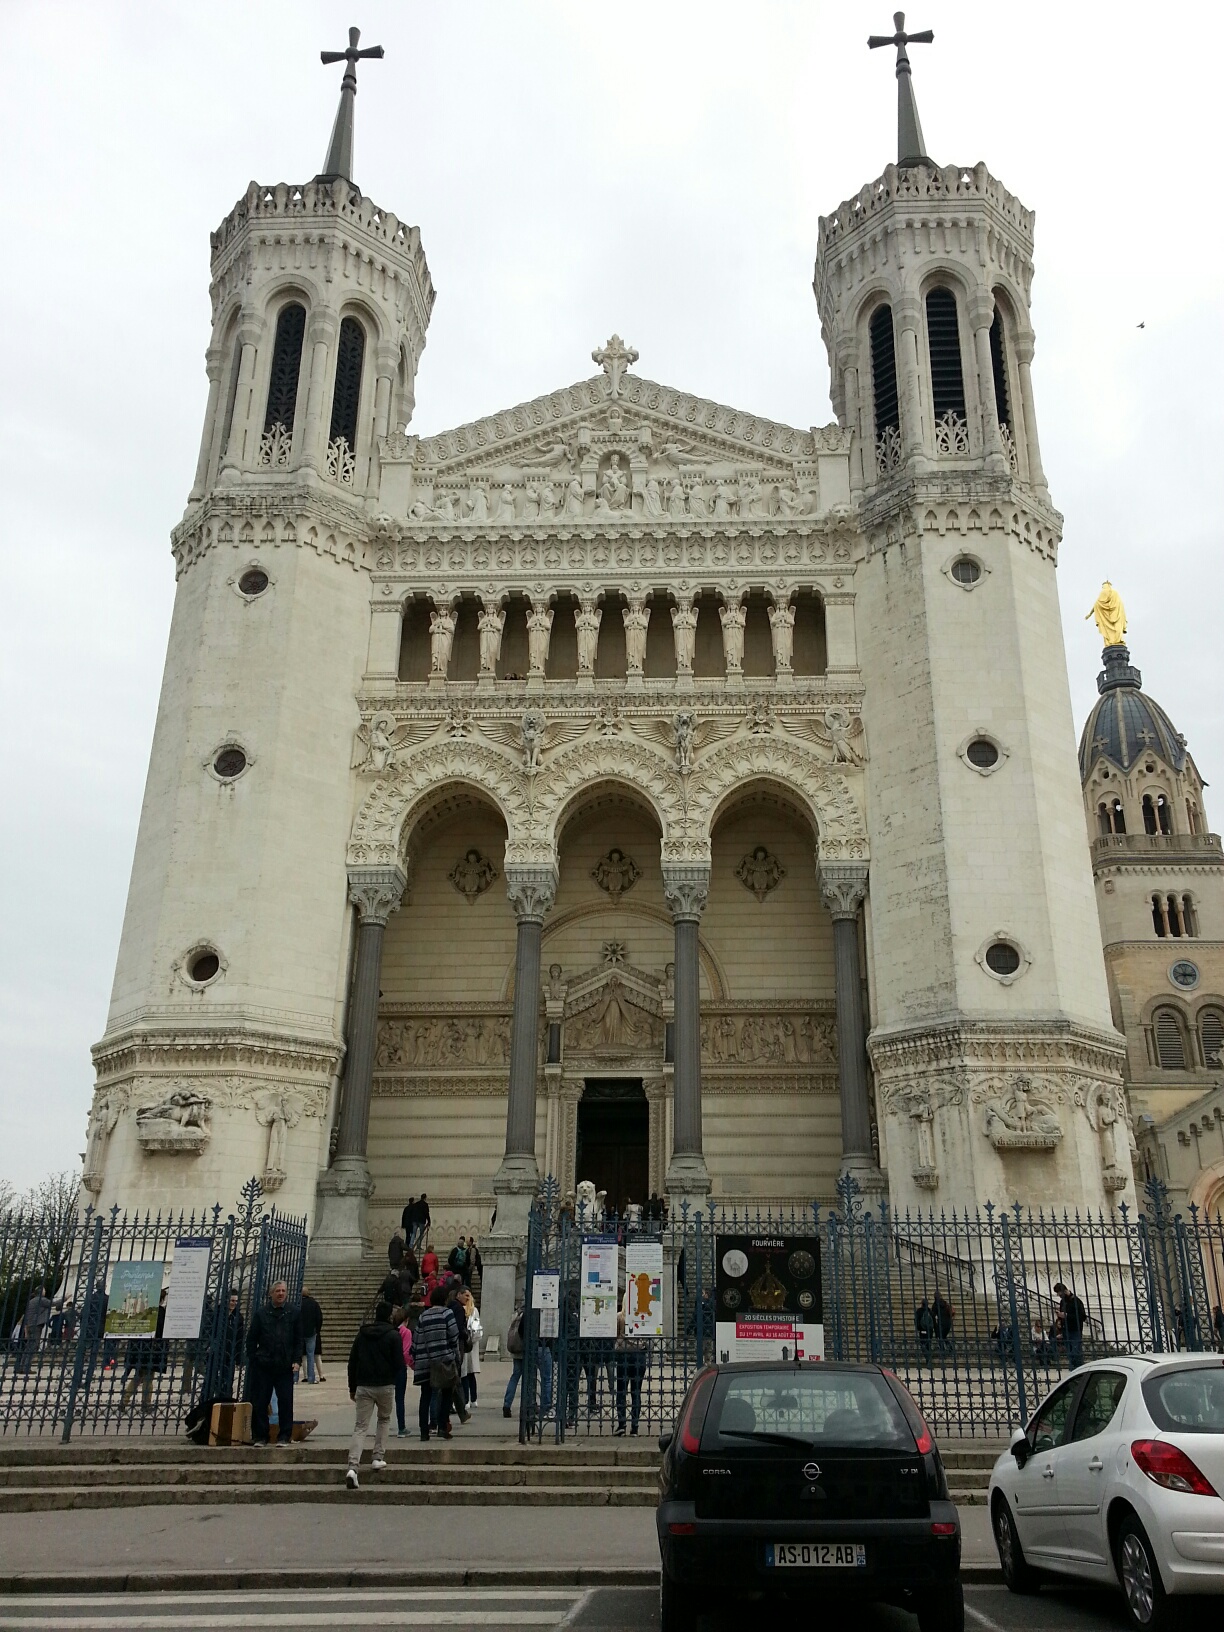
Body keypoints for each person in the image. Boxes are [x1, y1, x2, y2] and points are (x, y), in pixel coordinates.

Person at [345, 1299, 402, 1489]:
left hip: (364, 1385)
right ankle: (378, 1456)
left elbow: (352, 1362)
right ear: (389, 1316)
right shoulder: (393, 1336)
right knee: (384, 1419)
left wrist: (352, 1386)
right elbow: (399, 1364)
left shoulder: (362, 1335)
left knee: (360, 1427)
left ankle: (353, 1466)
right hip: (385, 1384)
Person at [246, 1280, 303, 1446]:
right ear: (271, 1293)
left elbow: (298, 1339)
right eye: (277, 1291)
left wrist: (297, 1360)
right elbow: (252, 1339)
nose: (281, 1293)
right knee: (261, 1401)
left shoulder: (293, 1313)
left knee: (285, 1401)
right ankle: (260, 1436)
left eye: (283, 1291)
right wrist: (254, 1358)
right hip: (264, 1364)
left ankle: (284, 1435)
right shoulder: (262, 1314)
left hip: (285, 1365)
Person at [413, 1283, 462, 1441]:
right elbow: (454, 1335)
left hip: (425, 1361)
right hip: (443, 1361)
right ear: (445, 1299)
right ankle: (442, 1426)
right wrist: (455, 1355)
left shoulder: (423, 1315)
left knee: (425, 1396)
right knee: (446, 1392)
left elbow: (416, 1339)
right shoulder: (447, 1313)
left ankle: (423, 1431)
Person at [503, 1302, 553, 1422]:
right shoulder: (544, 1311)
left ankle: (508, 1404)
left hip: (522, 1349)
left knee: (517, 1376)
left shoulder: (522, 1313)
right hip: (541, 1346)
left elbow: (520, 1330)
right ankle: (545, 1406)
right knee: (546, 1378)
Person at [121, 1288, 168, 1412]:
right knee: (148, 1377)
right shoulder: (161, 1312)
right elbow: (162, 1330)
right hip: (152, 1348)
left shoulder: (144, 1310)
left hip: (139, 1348)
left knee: (138, 1376)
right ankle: (145, 1403)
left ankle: (124, 1400)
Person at [614, 1287, 648, 1436]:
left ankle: (621, 1424)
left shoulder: (620, 1317)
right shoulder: (644, 1316)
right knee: (636, 1391)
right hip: (639, 1355)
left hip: (623, 1355)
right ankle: (635, 1427)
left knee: (621, 1390)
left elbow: (615, 1336)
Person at [1054, 1282, 1087, 1369]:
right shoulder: (1062, 1302)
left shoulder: (1076, 1301)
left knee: (1076, 1353)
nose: (1058, 1295)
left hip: (1075, 1330)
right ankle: (1073, 1370)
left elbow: (1082, 1316)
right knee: (1070, 1354)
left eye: (1059, 1293)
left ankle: (1079, 1369)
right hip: (1066, 1330)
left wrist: (1066, 1315)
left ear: (1064, 1291)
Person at [459, 1288, 482, 1407]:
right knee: (470, 1373)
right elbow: (477, 1330)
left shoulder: (470, 1310)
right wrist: (472, 1340)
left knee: (465, 1373)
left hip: (465, 1345)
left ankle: (468, 1399)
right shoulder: (474, 1310)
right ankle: (473, 1399)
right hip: (471, 1344)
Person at [299, 1286, 323, 1385]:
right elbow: (319, 1318)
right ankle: (311, 1377)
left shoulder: (298, 1304)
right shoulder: (314, 1304)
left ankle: (296, 1378)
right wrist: (317, 1330)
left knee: (301, 1355)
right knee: (311, 1355)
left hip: (300, 1332)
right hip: (311, 1332)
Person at [395, 1311, 413, 1437]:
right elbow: (406, 1352)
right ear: (406, 1320)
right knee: (399, 1399)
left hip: (389, 1367)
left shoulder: (392, 1331)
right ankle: (401, 1427)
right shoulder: (406, 1332)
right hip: (400, 1367)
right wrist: (413, 1365)